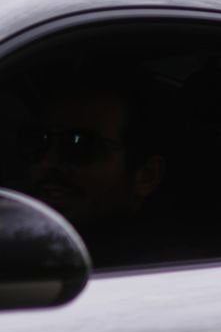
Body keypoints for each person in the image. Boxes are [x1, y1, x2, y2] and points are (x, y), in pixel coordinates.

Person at [20, 73, 173, 270]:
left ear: (146, 176)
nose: (48, 162)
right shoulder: (28, 250)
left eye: (80, 145)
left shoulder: (163, 273)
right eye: (39, 141)